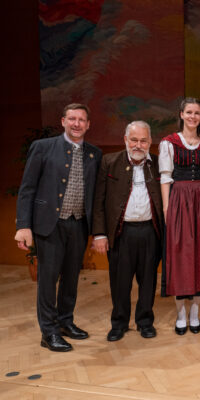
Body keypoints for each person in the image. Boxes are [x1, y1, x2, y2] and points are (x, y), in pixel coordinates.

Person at [15, 103, 102, 352]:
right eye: (72, 119)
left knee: (71, 278)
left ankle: (65, 322)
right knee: (48, 279)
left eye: (81, 120)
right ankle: (49, 332)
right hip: (49, 224)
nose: (77, 124)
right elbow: (27, 188)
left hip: (79, 224)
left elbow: (96, 195)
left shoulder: (94, 154)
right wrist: (24, 225)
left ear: (88, 124)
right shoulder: (42, 147)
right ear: (63, 121)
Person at [91, 121, 163, 341]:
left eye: (143, 141)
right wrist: (100, 234)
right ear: (125, 140)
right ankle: (119, 324)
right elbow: (99, 200)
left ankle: (145, 322)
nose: (138, 145)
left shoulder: (158, 163)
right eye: (134, 140)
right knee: (120, 282)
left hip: (151, 232)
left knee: (148, 281)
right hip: (121, 233)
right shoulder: (109, 162)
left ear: (150, 142)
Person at [159, 97, 200, 335]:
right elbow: (165, 177)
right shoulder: (169, 143)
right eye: (189, 112)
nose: (193, 117)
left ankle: (195, 313)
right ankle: (181, 314)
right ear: (181, 114)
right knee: (181, 255)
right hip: (179, 201)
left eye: (197, 113)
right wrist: (167, 208)